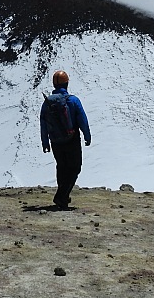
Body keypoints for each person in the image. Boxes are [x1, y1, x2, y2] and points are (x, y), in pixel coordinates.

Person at [40, 69, 91, 210]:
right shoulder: (73, 100)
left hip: (55, 141)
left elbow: (43, 123)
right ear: (67, 83)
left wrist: (45, 142)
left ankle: (63, 195)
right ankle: (62, 195)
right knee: (74, 168)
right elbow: (82, 120)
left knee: (61, 167)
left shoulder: (47, 103)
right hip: (72, 139)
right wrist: (87, 136)